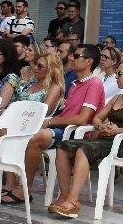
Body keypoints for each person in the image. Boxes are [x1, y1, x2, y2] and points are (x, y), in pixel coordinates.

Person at [50, 59, 123, 218]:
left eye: (120, 74)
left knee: (84, 150)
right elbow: (97, 118)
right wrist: (101, 126)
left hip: (122, 145)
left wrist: (118, 130)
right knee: (63, 147)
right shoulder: (117, 98)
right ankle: (64, 195)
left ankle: (73, 202)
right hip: (104, 140)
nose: (116, 77)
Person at [12, 45, 105, 199]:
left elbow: (83, 119)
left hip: (75, 133)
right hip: (63, 129)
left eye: (76, 56)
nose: (71, 58)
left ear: (89, 61)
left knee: (35, 137)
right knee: (17, 132)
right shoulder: (75, 83)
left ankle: (25, 189)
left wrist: (51, 121)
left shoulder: (94, 83)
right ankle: (13, 183)